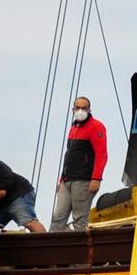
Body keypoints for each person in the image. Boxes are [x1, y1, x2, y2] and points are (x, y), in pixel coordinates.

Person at [50, 95, 109, 230]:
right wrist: (61, 180)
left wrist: (96, 178)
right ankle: (53, 247)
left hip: (83, 180)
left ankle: (80, 250)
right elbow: (68, 156)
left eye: (84, 108)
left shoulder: (96, 126)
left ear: (89, 110)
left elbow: (102, 154)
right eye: (78, 108)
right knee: (58, 217)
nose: (80, 110)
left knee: (79, 218)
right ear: (73, 109)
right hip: (67, 180)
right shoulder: (74, 128)